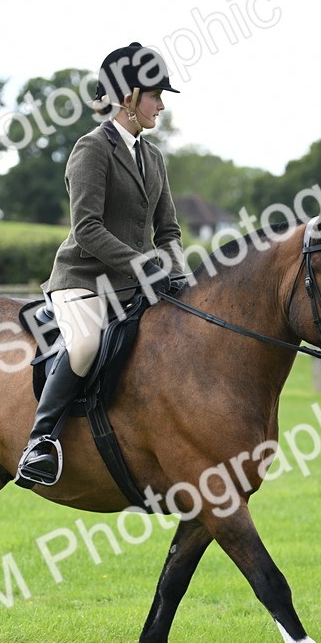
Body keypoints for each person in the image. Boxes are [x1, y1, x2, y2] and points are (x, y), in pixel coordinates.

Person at [15, 42, 188, 488]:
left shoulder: (152, 157)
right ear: (129, 97)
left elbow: (168, 231)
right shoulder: (91, 149)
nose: (161, 105)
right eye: (155, 95)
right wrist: (141, 265)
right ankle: (40, 442)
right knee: (87, 343)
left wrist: (178, 272)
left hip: (135, 284)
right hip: (83, 281)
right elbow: (87, 228)